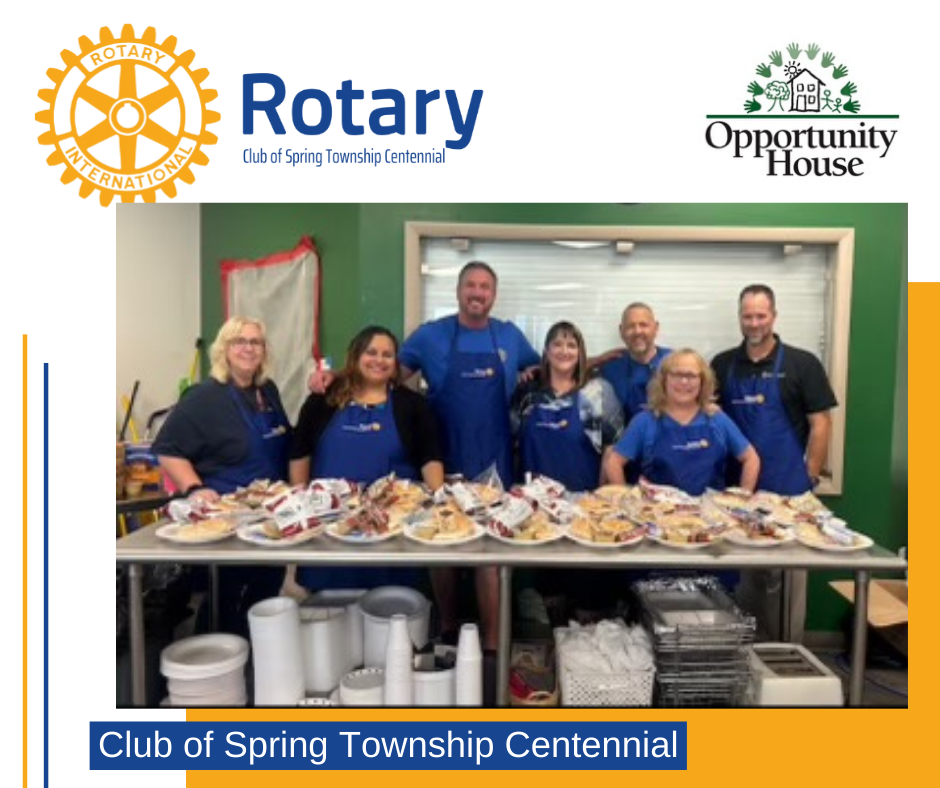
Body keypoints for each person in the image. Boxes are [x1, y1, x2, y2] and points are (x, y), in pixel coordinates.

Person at [400, 261, 540, 650]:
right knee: (442, 546)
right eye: (471, 286)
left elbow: (541, 366)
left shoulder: (509, 336)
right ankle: (447, 630)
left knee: (490, 554)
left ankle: (493, 644)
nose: (478, 293)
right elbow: (386, 375)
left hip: (494, 459)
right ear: (459, 291)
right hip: (441, 459)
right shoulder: (430, 336)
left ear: (493, 295)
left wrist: (533, 373)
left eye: (485, 287)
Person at [712, 284, 838, 642]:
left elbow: (821, 423)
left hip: (789, 495)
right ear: (740, 318)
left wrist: (810, 475)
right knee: (744, 583)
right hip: (739, 496)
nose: (754, 323)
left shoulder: (803, 363)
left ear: (774, 316)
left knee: (787, 588)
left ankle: (787, 657)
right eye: (747, 316)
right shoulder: (723, 364)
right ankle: (748, 660)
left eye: (760, 315)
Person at [154, 317, 291, 635]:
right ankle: (213, 667)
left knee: (265, 594)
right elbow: (168, 448)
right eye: (239, 341)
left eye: (255, 342)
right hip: (228, 521)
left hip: (270, 516)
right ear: (224, 349)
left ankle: (254, 662)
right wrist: (194, 488)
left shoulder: (267, 391)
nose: (248, 348)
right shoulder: (204, 397)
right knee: (226, 599)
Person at [289, 326, 444, 591]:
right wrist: (299, 500)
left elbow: (430, 457)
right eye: (371, 352)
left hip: (393, 526)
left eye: (387, 355)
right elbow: (300, 452)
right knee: (331, 609)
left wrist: (440, 498)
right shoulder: (323, 400)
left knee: (394, 608)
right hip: (333, 524)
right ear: (355, 356)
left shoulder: (412, 405)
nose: (379, 360)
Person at [604, 349, 760, 495]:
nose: (684, 382)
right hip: (658, 518)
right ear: (664, 380)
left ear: (702, 381)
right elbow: (613, 463)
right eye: (677, 375)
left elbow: (751, 459)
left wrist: (743, 502)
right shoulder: (645, 421)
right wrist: (625, 502)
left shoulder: (718, 419)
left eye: (691, 376)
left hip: (710, 518)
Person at [513, 320, 624, 492]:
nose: (564, 351)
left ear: (580, 354)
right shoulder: (528, 393)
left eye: (571, 345)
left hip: (582, 503)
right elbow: (512, 442)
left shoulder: (598, 392)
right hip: (533, 502)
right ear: (546, 352)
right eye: (557, 344)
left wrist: (600, 496)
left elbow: (611, 448)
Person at [596, 302, 672, 421]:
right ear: (621, 331)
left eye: (643, 325)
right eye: (630, 326)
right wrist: (596, 360)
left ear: (656, 328)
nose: (637, 331)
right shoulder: (610, 367)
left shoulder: (676, 362)